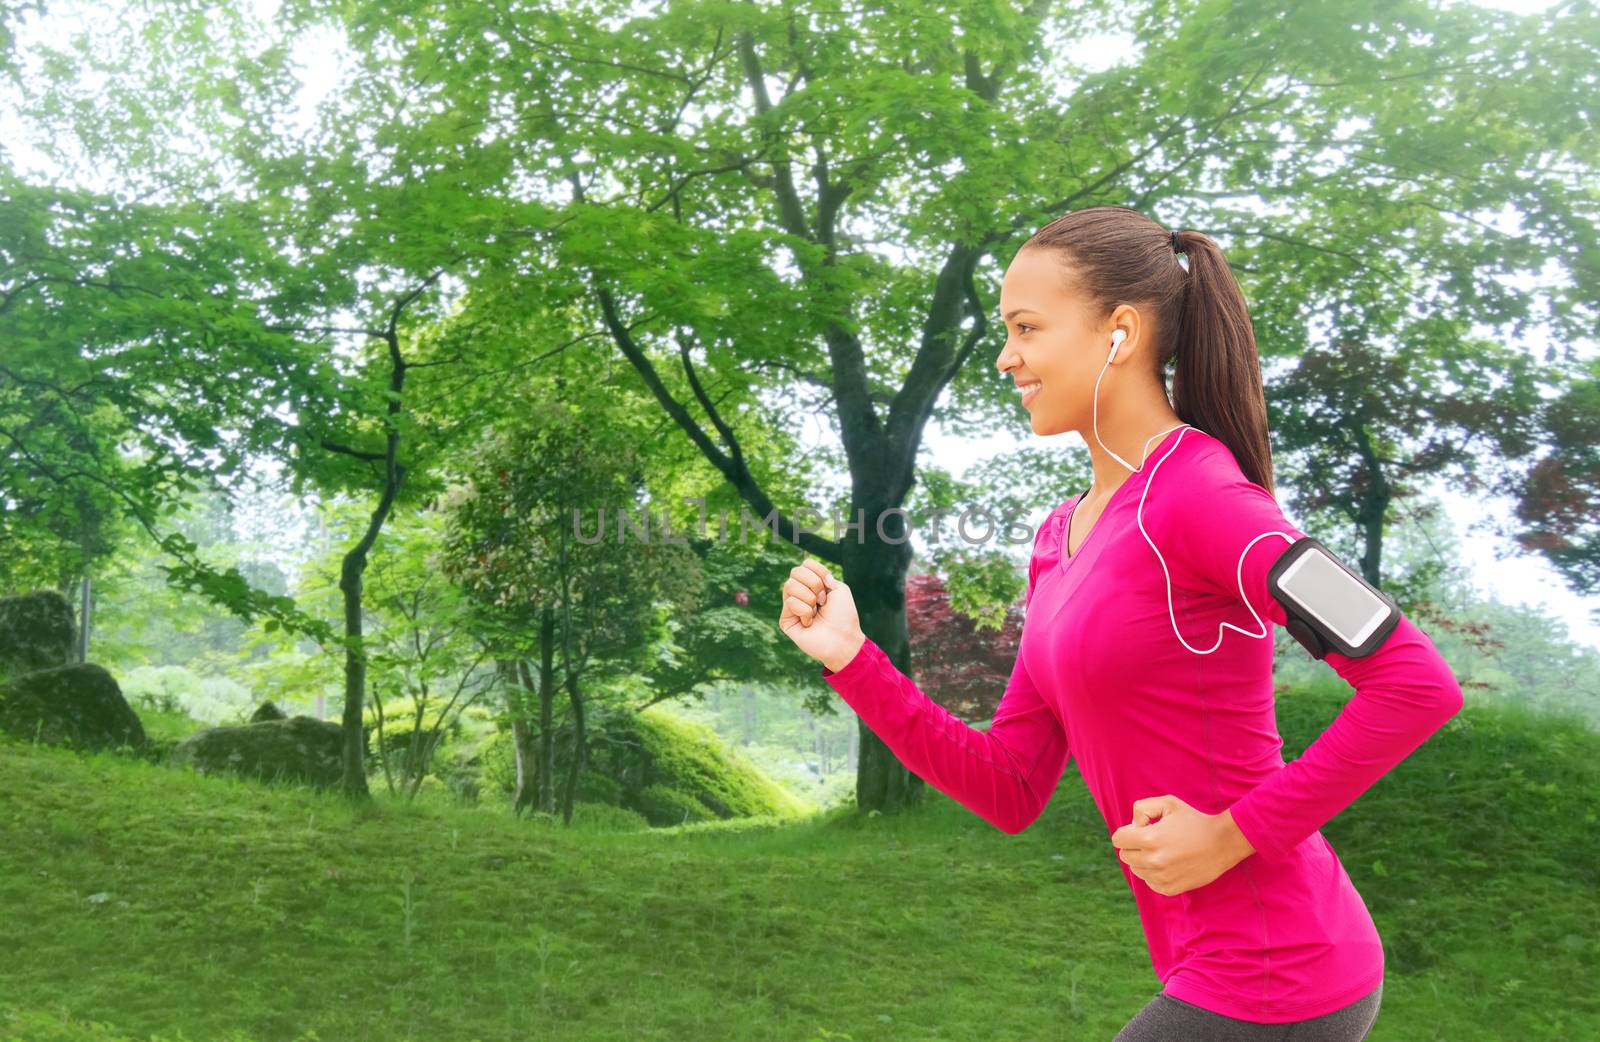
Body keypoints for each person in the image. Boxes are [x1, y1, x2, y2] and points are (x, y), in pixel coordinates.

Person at [778, 206, 1463, 1040]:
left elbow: (1415, 682)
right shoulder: (1060, 537)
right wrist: (854, 659)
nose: (1006, 356)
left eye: (1027, 328)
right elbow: (1012, 786)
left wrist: (1234, 835)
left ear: (1121, 332)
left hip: (1281, 969)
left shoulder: (1208, 500)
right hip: (1203, 966)